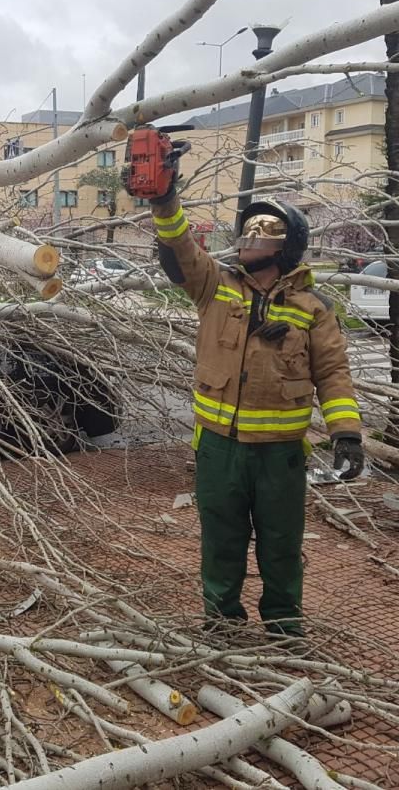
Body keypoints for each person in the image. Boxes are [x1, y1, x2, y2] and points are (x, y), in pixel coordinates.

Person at [150, 182, 363, 646]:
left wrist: (346, 433)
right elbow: (180, 245)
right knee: (221, 545)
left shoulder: (313, 308)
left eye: (262, 231)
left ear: (287, 245)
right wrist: (162, 198)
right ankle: (222, 625)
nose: (249, 239)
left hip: (280, 456)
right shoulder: (215, 286)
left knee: (281, 548)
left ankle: (285, 629)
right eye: (246, 231)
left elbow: (332, 374)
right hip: (218, 449)